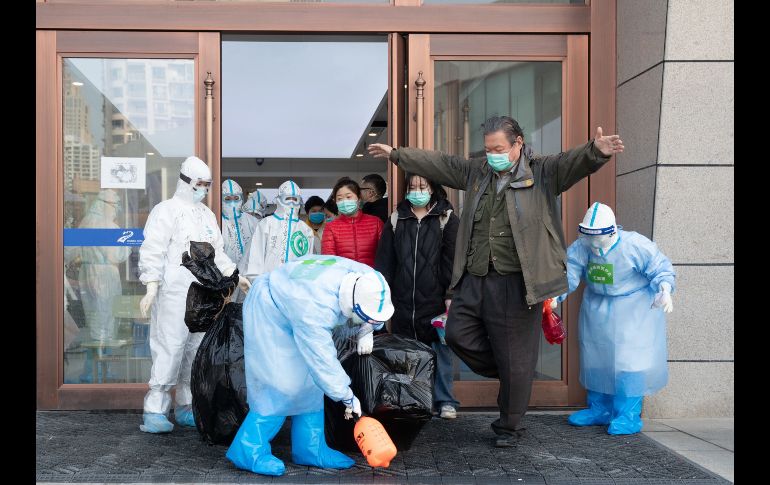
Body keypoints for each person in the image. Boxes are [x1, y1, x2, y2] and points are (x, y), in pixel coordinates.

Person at [368, 116, 624, 447]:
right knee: (457, 333)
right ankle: (512, 370)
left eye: (499, 148)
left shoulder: (542, 172)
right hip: (476, 276)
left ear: (518, 143)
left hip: (518, 281)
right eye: (488, 149)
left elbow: (573, 162)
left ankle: (510, 426)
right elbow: (441, 164)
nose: (492, 155)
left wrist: (596, 151)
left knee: (516, 356)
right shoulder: (477, 172)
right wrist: (397, 154)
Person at [227, 255, 395, 476]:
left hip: (292, 301)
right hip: (268, 309)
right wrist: (345, 395)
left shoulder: (368, 278)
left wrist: (367, 330)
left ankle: (310, 448)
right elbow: (321, 359)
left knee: (309, 381)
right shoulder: (315, 307)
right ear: (352, 306)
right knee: (282, 383)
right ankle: (248, 449)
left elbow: (371, 306)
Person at [138, 156, 251, 434]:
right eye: (200, 184)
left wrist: (235, 275)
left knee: (195, 351)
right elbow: (153, 248)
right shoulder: (165, 211)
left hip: (204, 294)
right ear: (186, 181)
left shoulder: (206, 215)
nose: (203, 189)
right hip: (174, 293)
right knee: (170, 347)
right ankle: (155, 408)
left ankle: (187, 406)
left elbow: (218, 252)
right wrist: (151, 284)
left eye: (207, 185)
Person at [557, 202, 675, 435]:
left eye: (597, 236)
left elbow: (660, 267)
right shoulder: (581, 247)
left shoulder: (635, 245)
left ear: (612, 231)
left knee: (629, 362)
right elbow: (568, 274)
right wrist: (554, 297)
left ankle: (628, 415)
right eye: (587, 235)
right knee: (596, 358)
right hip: (597, 307)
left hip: (634, 311)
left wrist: (665, 289)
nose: (593, 242)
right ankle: (599, 409)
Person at [374, 173, 461, 419]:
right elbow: (385, 261)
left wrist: (450, 294)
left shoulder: (446, 218)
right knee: (406, 353)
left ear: (433, 188)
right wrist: (382, 295)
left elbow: (453, 262)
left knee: (440, 351)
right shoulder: (396, 218)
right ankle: (411, 399)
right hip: (402, 299)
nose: (417, 191)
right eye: (412, 187)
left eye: (422, 186)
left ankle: (445, 401)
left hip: (435, 299)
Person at [65, 189, 130, 382]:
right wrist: (125, 243)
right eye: (115, 205)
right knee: (106, 322)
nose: (116, 209)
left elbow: (69, 251)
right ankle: (102, 371)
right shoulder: (108, 226)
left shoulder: (85, 222)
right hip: (105, 275)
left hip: (88, 274)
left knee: (94, 322)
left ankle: (89, 370)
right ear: (107, 205)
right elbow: (117, 255)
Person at [243, 180, 315, 279]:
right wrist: (257, 283)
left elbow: (307, 261)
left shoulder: (306, 230)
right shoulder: (266, 224)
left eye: (295, 199)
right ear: (279, 200)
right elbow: (256, 259)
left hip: (294, 286)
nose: (291, 202)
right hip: (268, 284)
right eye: (288, 198)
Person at [321, 177, 383, 267]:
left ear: (358, 198)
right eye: (340, 198)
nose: (344, 201)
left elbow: (385, 255)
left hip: (371, 278)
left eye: (348, 197)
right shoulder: (331, 227)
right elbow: (329, 259)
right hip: (343, 279)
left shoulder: (376, 223)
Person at [221, 180, 260, 294]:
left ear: (241, 198)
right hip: (226, 279)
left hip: (250, 278)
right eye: (227, 199)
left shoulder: (252, 221)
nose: (232, 203)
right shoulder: (217, 222)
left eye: (236, 198)